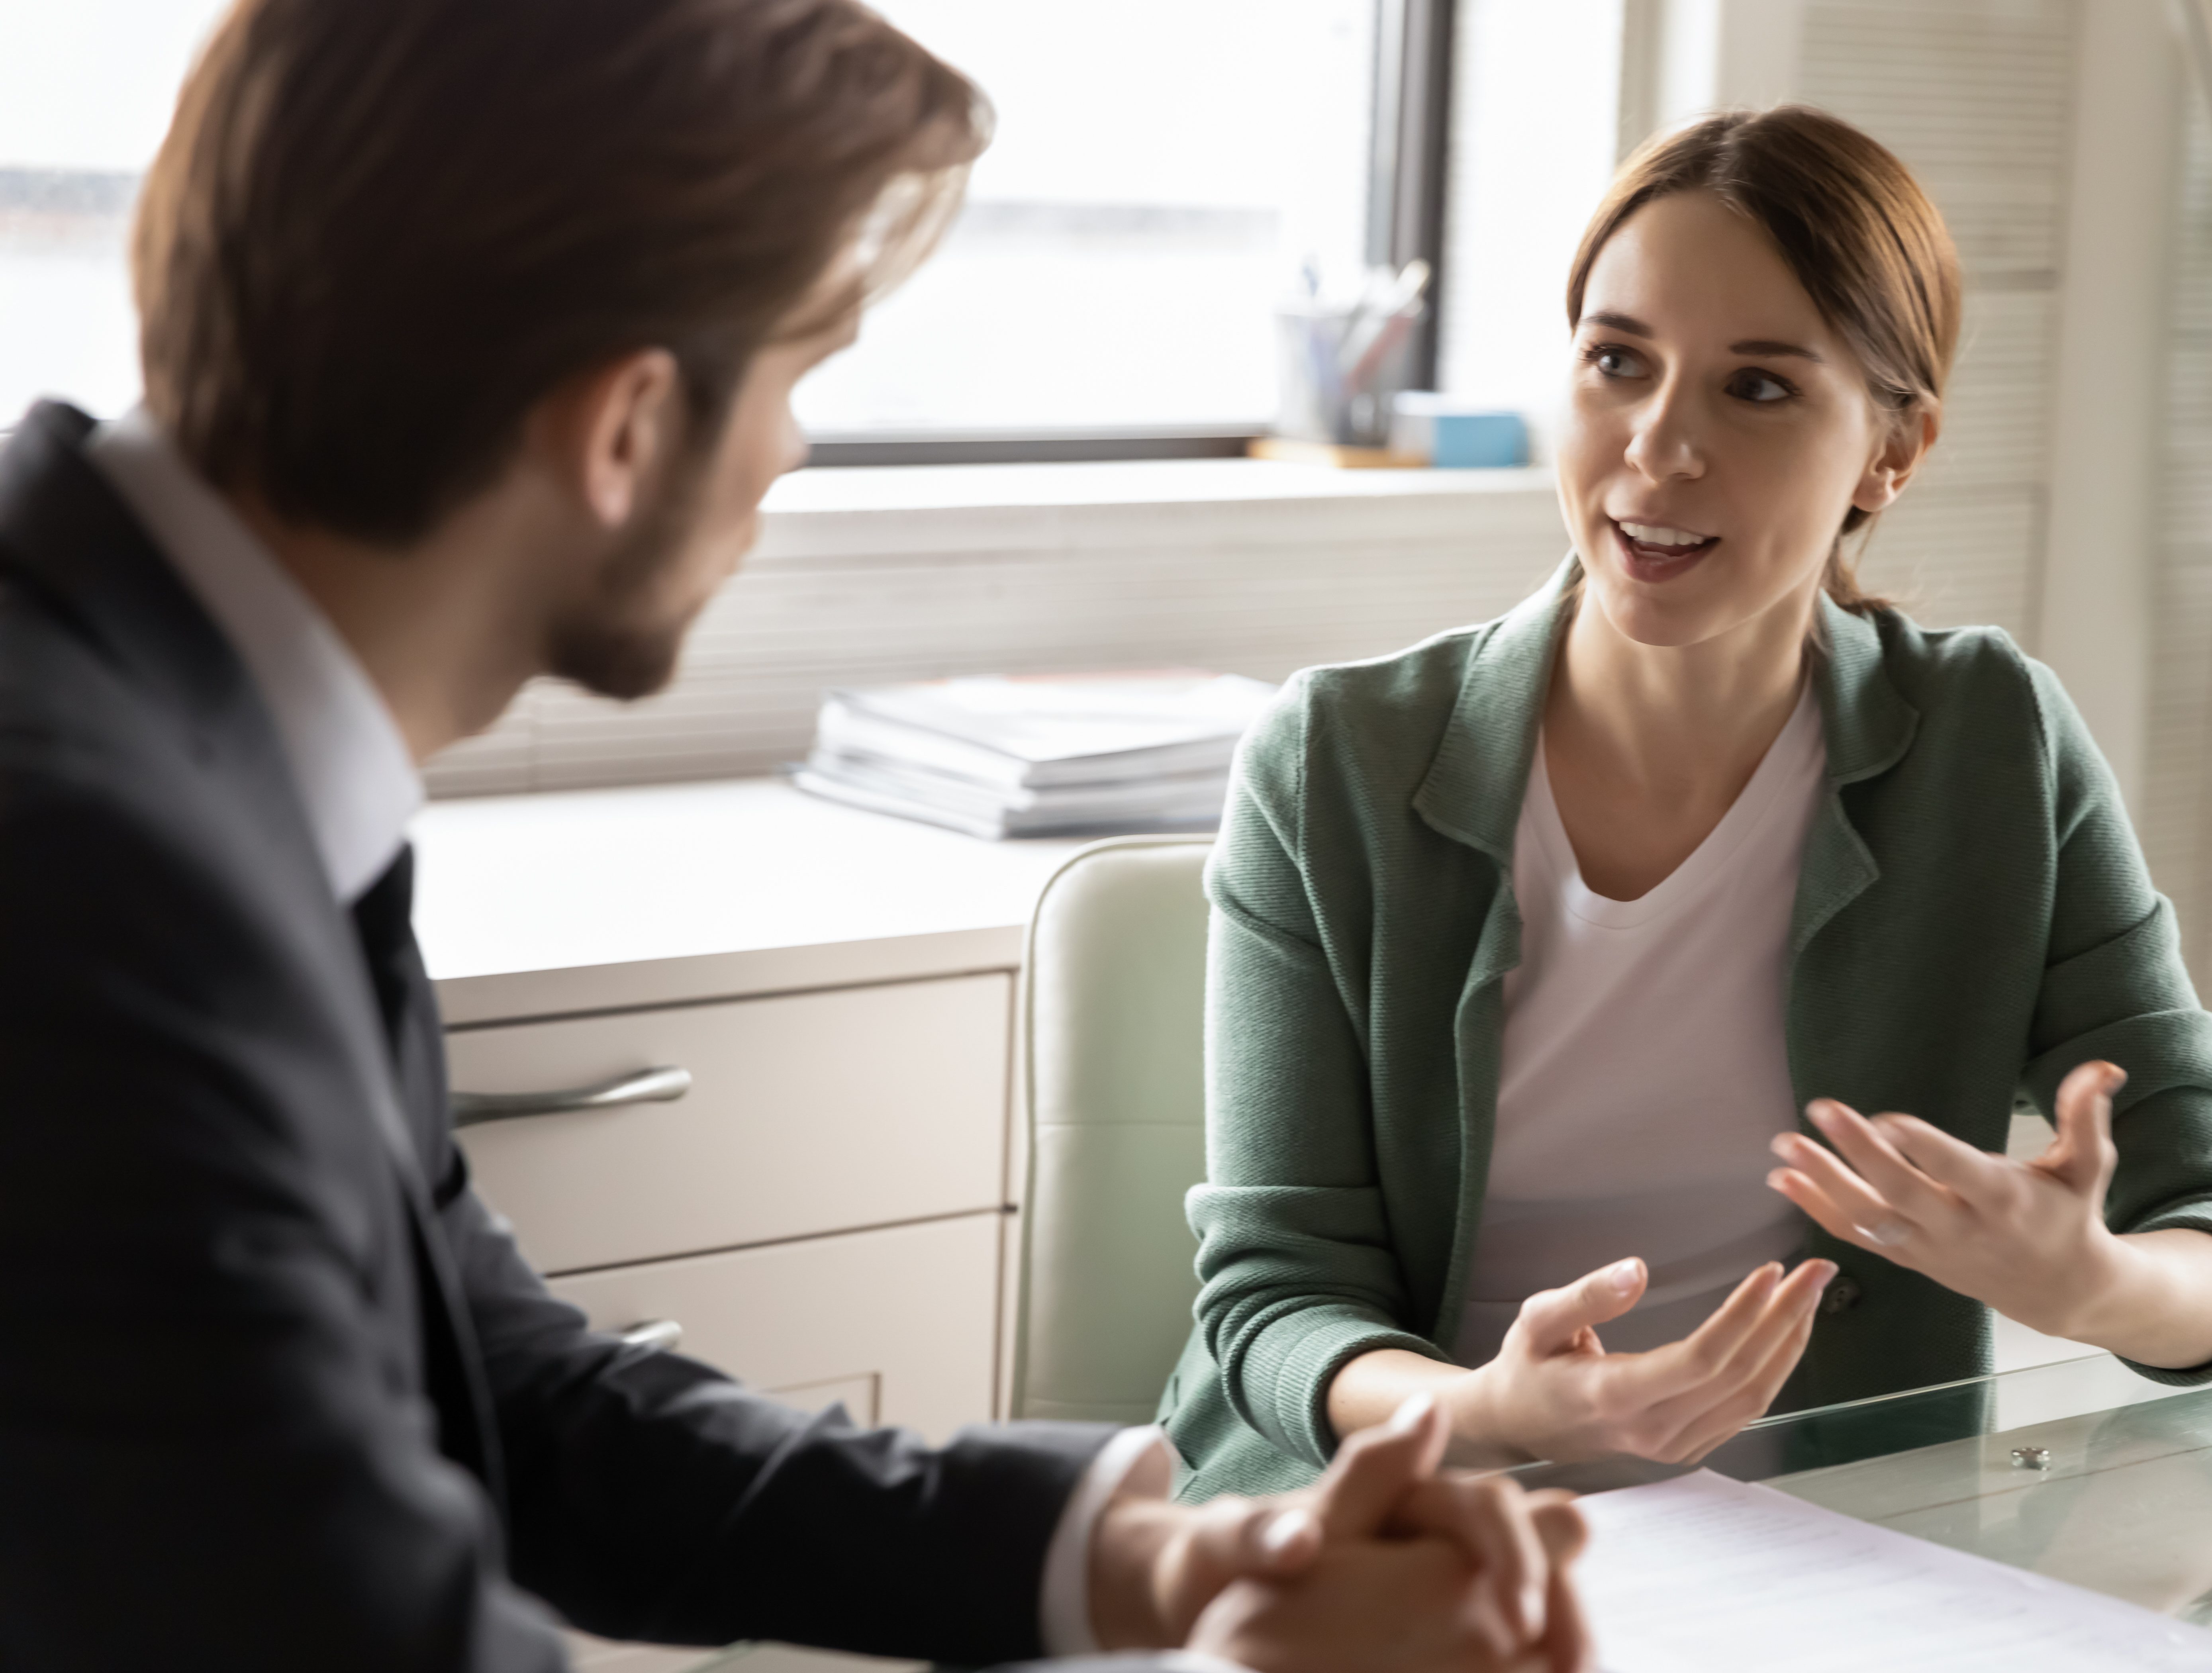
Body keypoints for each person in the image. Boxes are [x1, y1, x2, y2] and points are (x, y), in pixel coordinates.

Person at [0, 2, 1590, 1668]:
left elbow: (510, 1397)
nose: (790, 453)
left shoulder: (203, 742)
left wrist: (1167, 1565)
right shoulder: (95, 908)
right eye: (800, 377)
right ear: (623, 428)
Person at [1162, 105, 2212, 1501]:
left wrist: (2099, 1285)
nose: (1658, 448)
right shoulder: (1333, 764)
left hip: (1813, 1567)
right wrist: (1497, 1411)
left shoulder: (1991, 750)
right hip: (1404, 1531)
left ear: (1894, 450)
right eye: (1616, 363)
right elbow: (1275, 1308)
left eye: (1756, 388)